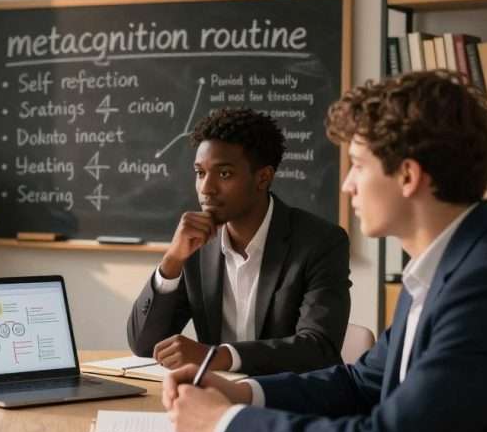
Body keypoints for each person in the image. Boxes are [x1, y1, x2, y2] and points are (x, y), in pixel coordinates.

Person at [163, 71, 487, 432]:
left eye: (357, 165)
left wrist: (223, 422)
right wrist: (240, 392)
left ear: (408, 176)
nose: (347, 184)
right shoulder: (442, 267)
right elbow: (359, 383)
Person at [127, 108, 351, 375]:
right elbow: (143, 345)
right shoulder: (196, 245)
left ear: (263, 178)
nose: (206, 189)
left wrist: (218, 356)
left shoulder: (320, 242)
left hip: (286, 403)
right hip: (214, 400)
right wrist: (171, 262)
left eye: (224, 174)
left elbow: (319, 348)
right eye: (200, 173)